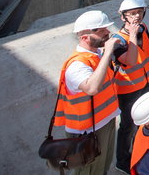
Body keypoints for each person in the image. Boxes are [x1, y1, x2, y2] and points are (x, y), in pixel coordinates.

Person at [54, 10, 122, 175]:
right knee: (89, 171)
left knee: (102, 168)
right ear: (84, 37)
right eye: (101, 30)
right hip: (88, 131)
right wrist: (107, 53)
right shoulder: (77, 65)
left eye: (106, 28)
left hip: (105, 122)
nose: (108, 33)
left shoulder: (97, 55)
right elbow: (92, 88)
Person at [112, 0, 149, 172]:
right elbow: (128, 61)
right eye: (132, 14)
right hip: (128, 90)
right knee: (127, 126)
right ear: (123, 16)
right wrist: (131, 34)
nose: (136, 17)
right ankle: (122, 160)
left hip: (146, 83)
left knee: (144, 121)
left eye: (139, 12)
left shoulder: (143, 28)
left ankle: (140, 150)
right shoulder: (118, 40)